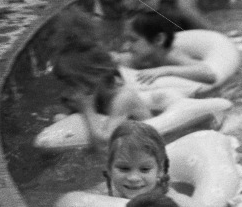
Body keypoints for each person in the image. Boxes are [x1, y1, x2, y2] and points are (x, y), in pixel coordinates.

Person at [52, 9, 161, 145]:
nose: (67, 91)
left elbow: (106, 141)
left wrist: (87, 110)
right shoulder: (98, 98)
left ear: (96, 78)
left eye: (72, 83)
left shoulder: (123, 99)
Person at [104, 120, 225, 207]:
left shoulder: (159, 192)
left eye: (145, 169)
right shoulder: (108, 192)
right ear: (109, 168)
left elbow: (182, 200)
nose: (133, 178)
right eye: (124, 168)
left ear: (160, 171)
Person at [115, 10, 224, 85]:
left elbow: (209, 75)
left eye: (133, 40)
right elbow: (116, 59)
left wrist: (165, 71)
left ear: (158, 39)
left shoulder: (171, 56)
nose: (126, 46)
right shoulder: (139, 58)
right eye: (126, 40)